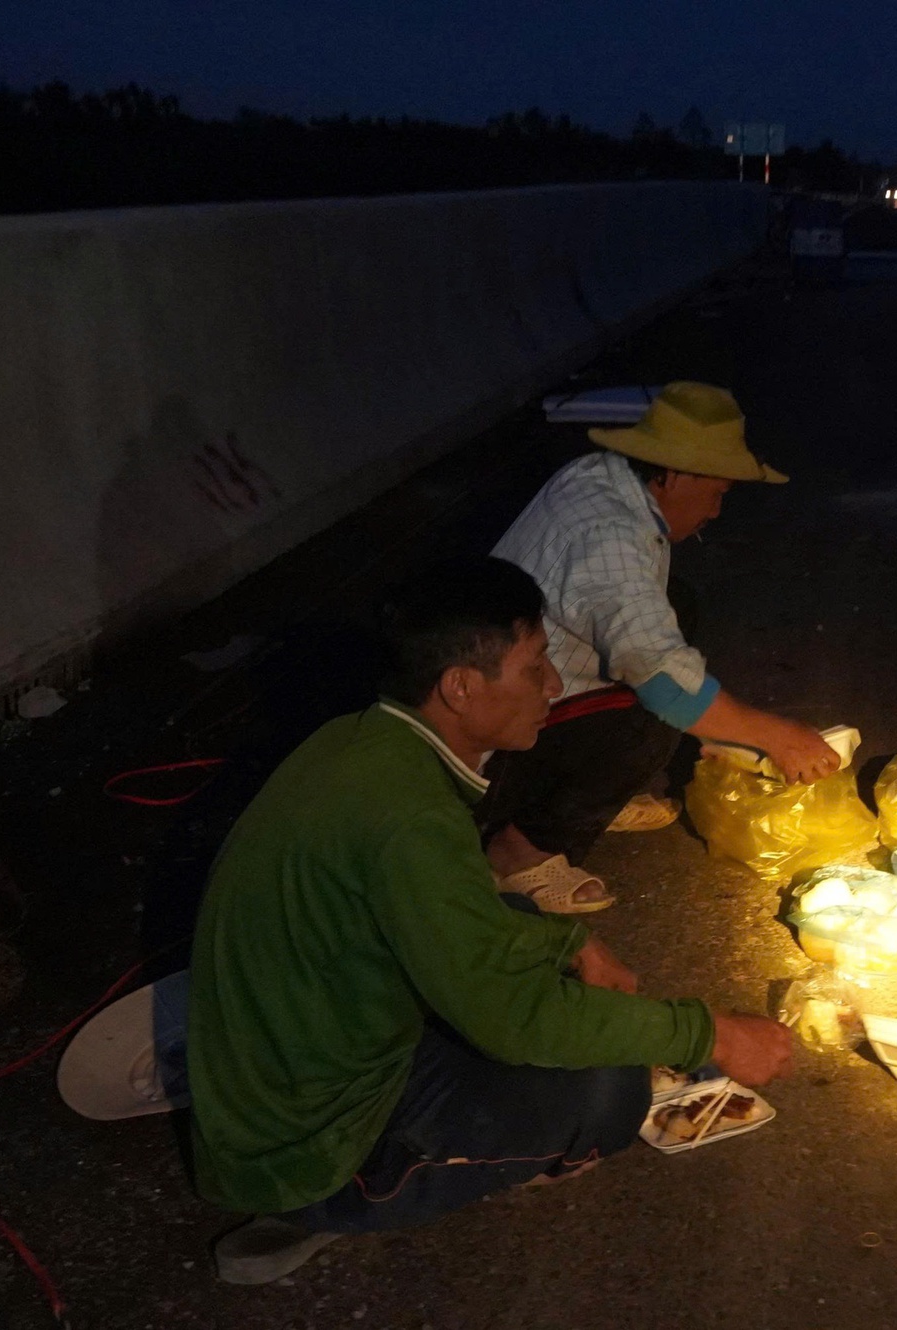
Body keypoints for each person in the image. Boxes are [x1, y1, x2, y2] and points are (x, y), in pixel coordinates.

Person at [187, 557, 795, 1281]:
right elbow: (516, 1019)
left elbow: (470, 919)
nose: (553, 685)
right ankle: (346, 1201)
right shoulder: (409, 820)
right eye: (534, 665)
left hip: (296, 1048)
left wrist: (568, 939)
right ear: (461, 687)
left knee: (515, 916)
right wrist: (713, 1032)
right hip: (303, 1142)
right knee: (606, 1091)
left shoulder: (360, 742)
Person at [484, 381, 841, 908]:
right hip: (487, 752)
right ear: (676, 474)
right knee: (654, 709)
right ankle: (520, 849)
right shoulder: (609, 538)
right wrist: (775, 736)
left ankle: (577, 793)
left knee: (676, 607)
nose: (717, 510)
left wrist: (723, 726)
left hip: (514, 682)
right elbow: (664, 680)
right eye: (717, 492)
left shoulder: (599, 475)